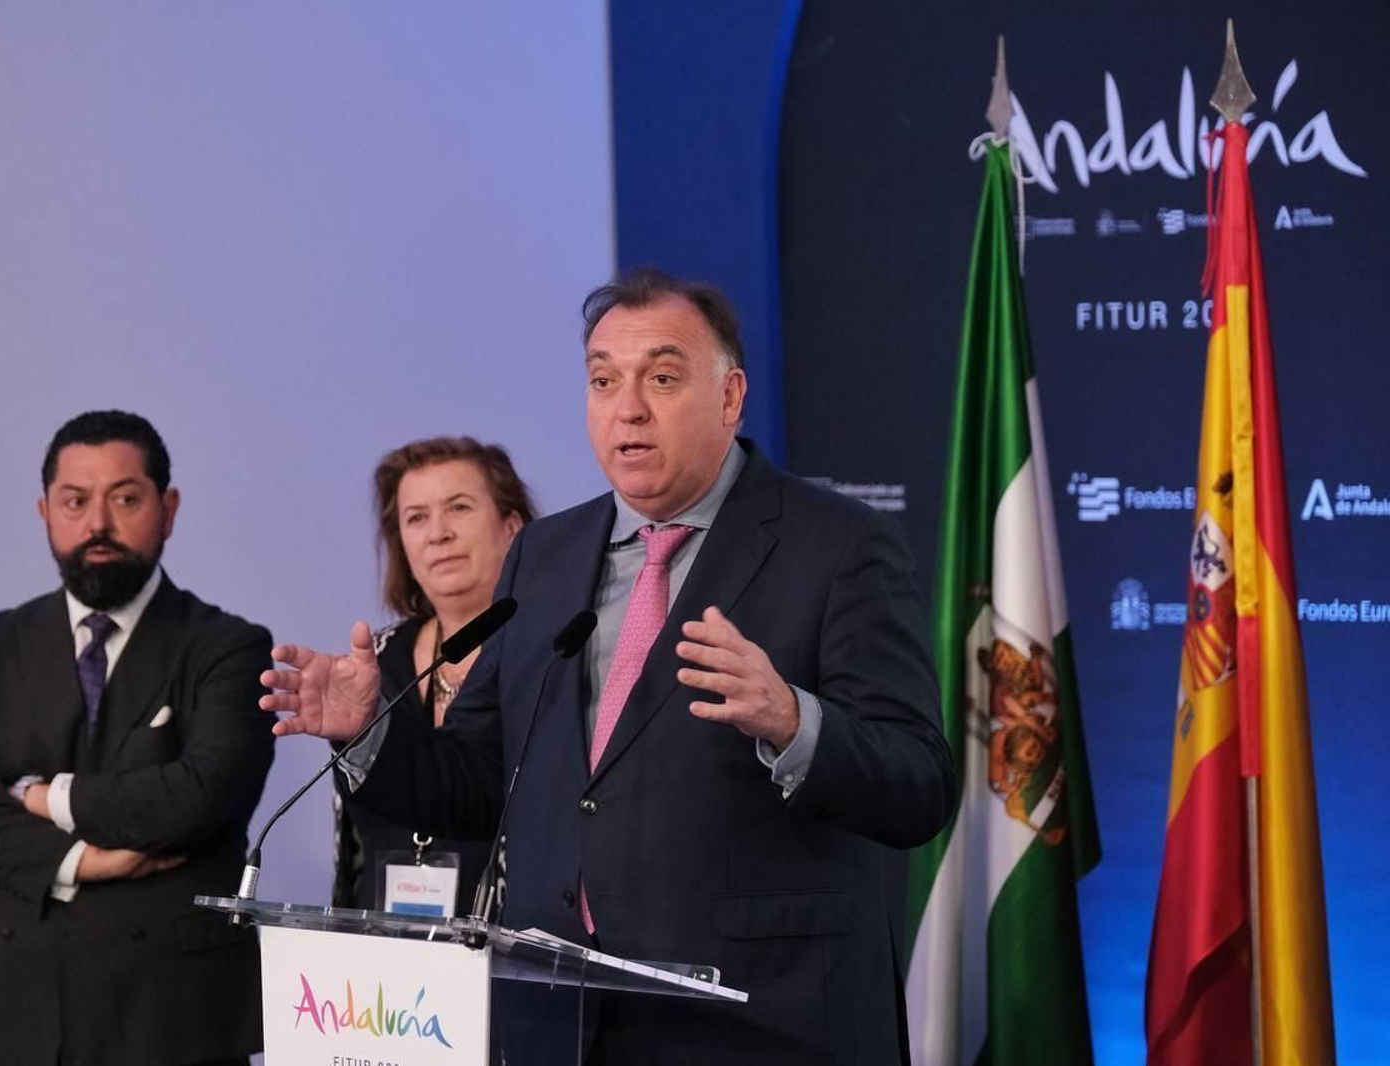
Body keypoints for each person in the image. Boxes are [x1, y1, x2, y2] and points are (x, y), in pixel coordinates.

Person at [260, 270, 956, 1064]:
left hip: (765, 1019)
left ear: (730, 397)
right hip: (568, 1019)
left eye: (662, 378)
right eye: (602, 380)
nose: (628, 407)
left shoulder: (837, 545)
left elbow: (919, 785)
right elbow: (483, 780)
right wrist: (369, 733)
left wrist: (795, 723)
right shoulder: (546, 557)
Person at [0, 410, 275, 1066]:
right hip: (15, 999)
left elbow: (203, 796)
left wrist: (43, 796)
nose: (97, 525)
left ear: (168, 509)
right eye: (74, 501)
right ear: (44, 511)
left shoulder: (228, 647)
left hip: (172, 1010)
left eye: (125, 498)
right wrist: (79, 860)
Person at [334, 436, 536, 913]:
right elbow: (353, 842)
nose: (437, 533)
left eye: (459, 508)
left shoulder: (551, 656)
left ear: (513, 527)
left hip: (515, 947)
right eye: (416, 517)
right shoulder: (376, 658)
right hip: (388, 950)